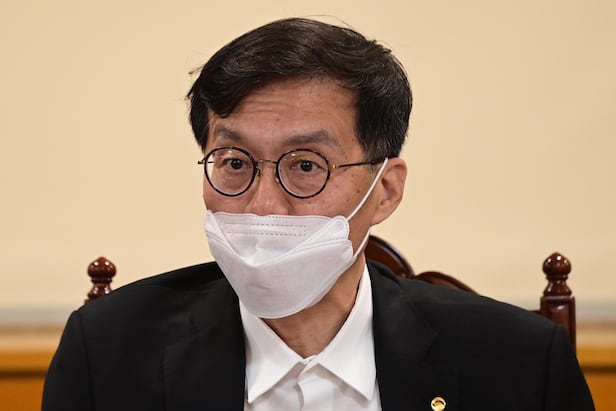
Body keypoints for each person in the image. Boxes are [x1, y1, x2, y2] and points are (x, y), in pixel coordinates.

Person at [42, 17, 594, 411]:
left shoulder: (518, 363)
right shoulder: (108, 352)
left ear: (385, 191)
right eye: (234, 162)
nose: (263, 204)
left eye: (306, 165)